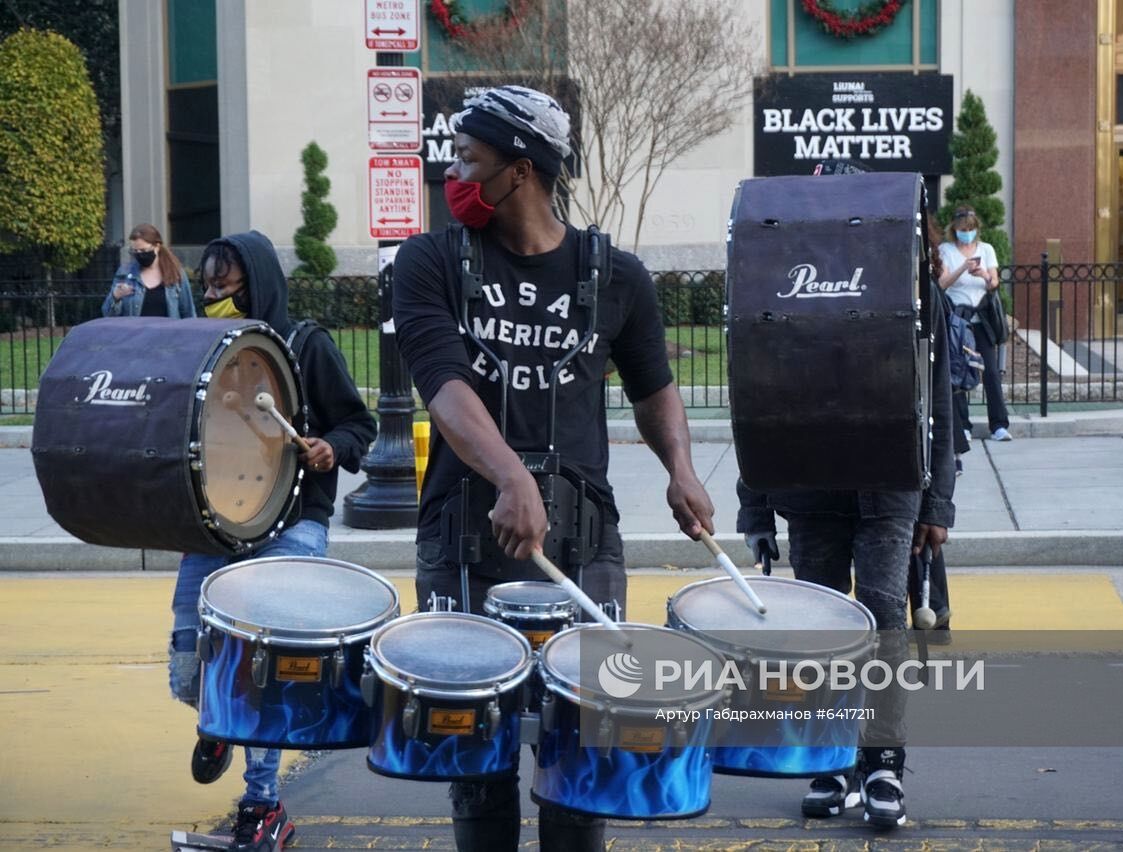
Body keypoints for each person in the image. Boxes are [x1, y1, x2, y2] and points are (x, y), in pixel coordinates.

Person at [392, 85, 714, 852]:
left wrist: (681, 468)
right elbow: (445, 387)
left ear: (523, 169)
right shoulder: (430, 260)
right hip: (463, 538)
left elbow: (656, 388)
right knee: (476, 757)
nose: (455, 175)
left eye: (470, 159)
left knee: (583, 752)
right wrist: (510, 476)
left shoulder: (616, 275)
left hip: (584, 540)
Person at [737, 193, 956, 828]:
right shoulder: (781, 291)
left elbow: (939, 404)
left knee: (885, 610)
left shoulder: (918, 295)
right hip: (810, 489)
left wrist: (937, 502)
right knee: (823, 623)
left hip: (890, 488)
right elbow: (757, 401)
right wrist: (756, 510)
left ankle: (883, 759)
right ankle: (831, 757)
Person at [168, 231, 376, 852]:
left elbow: (358, 424)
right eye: (205, 287)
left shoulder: (306, 346)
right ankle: (219, 723)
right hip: (217, 527)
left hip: (292, 526)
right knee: (187, 672)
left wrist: (330, 447)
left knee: (262, 682)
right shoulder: (207, 349)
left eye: (223, 287)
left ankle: (264, 808)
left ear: (255, 284)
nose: (211, 297)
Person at [939, 205, 1011, 442]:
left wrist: (983, 275)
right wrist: (963, 267)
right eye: (962, 229)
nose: (966, 233)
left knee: (990, 371)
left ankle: (999, 424)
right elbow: (942, 283)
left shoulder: (987, 249)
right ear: (954, 229)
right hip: (959, 319)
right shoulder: (945, 250)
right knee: (958, 371)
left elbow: (994, 283)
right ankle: (963, 426)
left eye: (970, 229)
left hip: (982, 319)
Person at [101, 223, 196, 319]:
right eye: (135, 251)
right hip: (136, 333)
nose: (139, 255)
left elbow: (188, 312)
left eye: (143, 250)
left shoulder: (175, 273)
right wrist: (115, 296)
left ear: (157, 247)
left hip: (167, 333)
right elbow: (108, 315)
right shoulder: (124, 274)